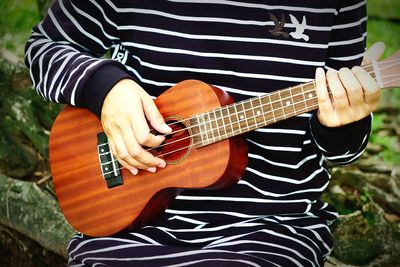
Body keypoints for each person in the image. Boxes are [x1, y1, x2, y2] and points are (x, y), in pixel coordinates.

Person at [25, 0, 382, 266]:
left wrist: (342, 124)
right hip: (127, 225)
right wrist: (105, 90)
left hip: (269, 230)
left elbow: (342, 147)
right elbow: (44, 47)